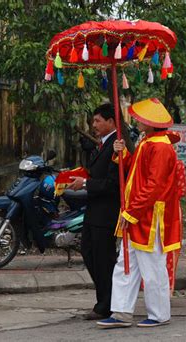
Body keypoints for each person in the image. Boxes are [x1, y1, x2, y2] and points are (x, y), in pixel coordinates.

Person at [97, 98, 181, 328]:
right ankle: (121, 311)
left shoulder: (160, 147)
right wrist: (121, 154)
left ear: (152, 122)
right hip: (136, 215)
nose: (137, 121)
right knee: (126, 263)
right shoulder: (147, 141)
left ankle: (159, 314)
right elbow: (133, 171)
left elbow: (153, 186)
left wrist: (131, 211)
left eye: (141, 118)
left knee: (152, 266)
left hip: (150, 217)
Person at [67, 103, 119, 320]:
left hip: (106, 213)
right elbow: (95, 172)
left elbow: (111, 183)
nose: (94, 125)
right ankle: (105, 299)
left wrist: (86, 183)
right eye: (94, 121)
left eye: (98, 121)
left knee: (103, 260)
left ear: (111, 122)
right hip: (93, 210)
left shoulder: (117, 146)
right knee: (89, 253)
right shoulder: (102, 144)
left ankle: (106, 305)